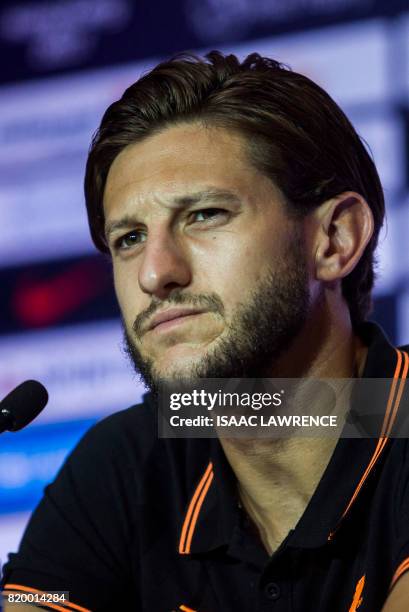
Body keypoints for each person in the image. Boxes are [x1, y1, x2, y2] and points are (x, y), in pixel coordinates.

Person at [1, 51, 409, 612]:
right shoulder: (128, 460)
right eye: (129, 239)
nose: (155, 273)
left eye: (204, 215)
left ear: (334, 240)